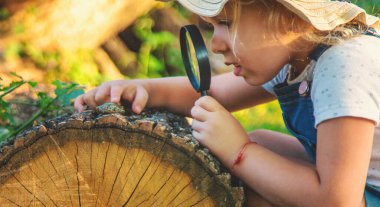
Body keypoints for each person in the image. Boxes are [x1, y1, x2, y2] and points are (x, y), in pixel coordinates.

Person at [74, 0, 380, 206]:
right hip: (361, 182)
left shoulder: (343, 64)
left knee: (253, 188)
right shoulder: (294, 58)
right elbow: (211, 91)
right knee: (262, 144)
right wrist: (141, 88)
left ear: (289, 20)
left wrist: (239, 152)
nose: (216, 44)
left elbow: (338, 200)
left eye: (227, 23)